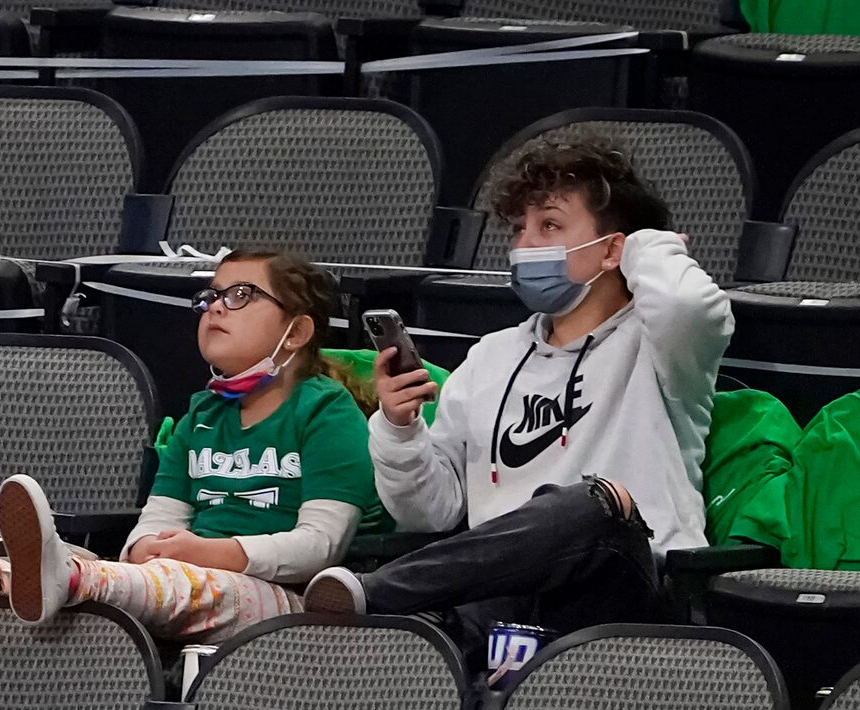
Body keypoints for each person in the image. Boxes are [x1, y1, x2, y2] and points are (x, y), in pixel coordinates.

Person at [300, 133, 733, 668]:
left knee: (592, 503)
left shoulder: (662, 346)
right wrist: (399, 428)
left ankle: (379, 596)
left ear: (612, 247)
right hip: (503, 594)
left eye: (549, 226)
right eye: (519, 229)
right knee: (415, 644)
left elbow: (690, 303)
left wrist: (647, 243)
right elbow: (429, 513)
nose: (525, 246)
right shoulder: (491, 357)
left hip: (623, 587)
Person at [0, 248, 375, 637]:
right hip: (181, 573)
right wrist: (147, 547)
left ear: (295, 332)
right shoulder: (201, 414)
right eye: (211, 296)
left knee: (180, 585)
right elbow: (153, 523)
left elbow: (320, 547)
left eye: (241, 296)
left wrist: (211, 553)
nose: (215, 307)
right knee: (131, 570)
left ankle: (67, 576)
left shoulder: (327, 411)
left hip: (285, 599)